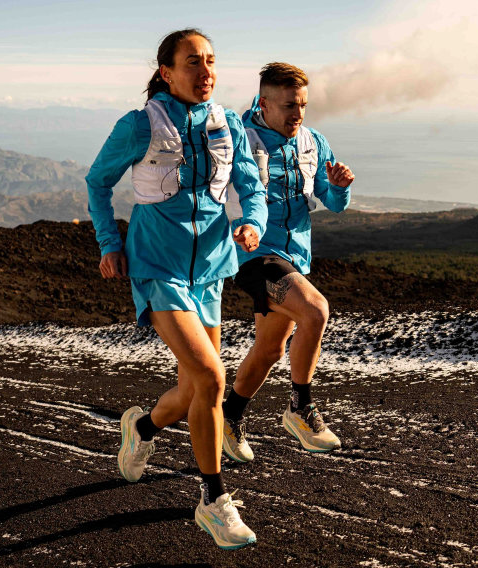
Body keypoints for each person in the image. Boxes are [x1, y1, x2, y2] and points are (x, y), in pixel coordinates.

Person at [85, 29, 267, 550]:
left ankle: (142, 429)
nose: (205, 71)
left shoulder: (227, 122)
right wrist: (108, 241)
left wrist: (251, 220)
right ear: (166, 71)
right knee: (212, 375)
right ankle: (213, 500)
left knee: (193, 389)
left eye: (211, 61)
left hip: (210, 268)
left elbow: (249, 185)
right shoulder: (139, 125)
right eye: (192, 62)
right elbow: (98, 181)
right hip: (157, 266)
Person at [221, 62, 355, 463]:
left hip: (295, 257)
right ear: (263, 103)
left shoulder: (314, 142)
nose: (297, 115)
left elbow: (330, 202)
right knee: (316, 310)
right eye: (289, 107)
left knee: (270, 349)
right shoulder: (239, 141)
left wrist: (340, 187)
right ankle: (300, 408)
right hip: (254, 254)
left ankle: (228, 417)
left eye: (302, 106)